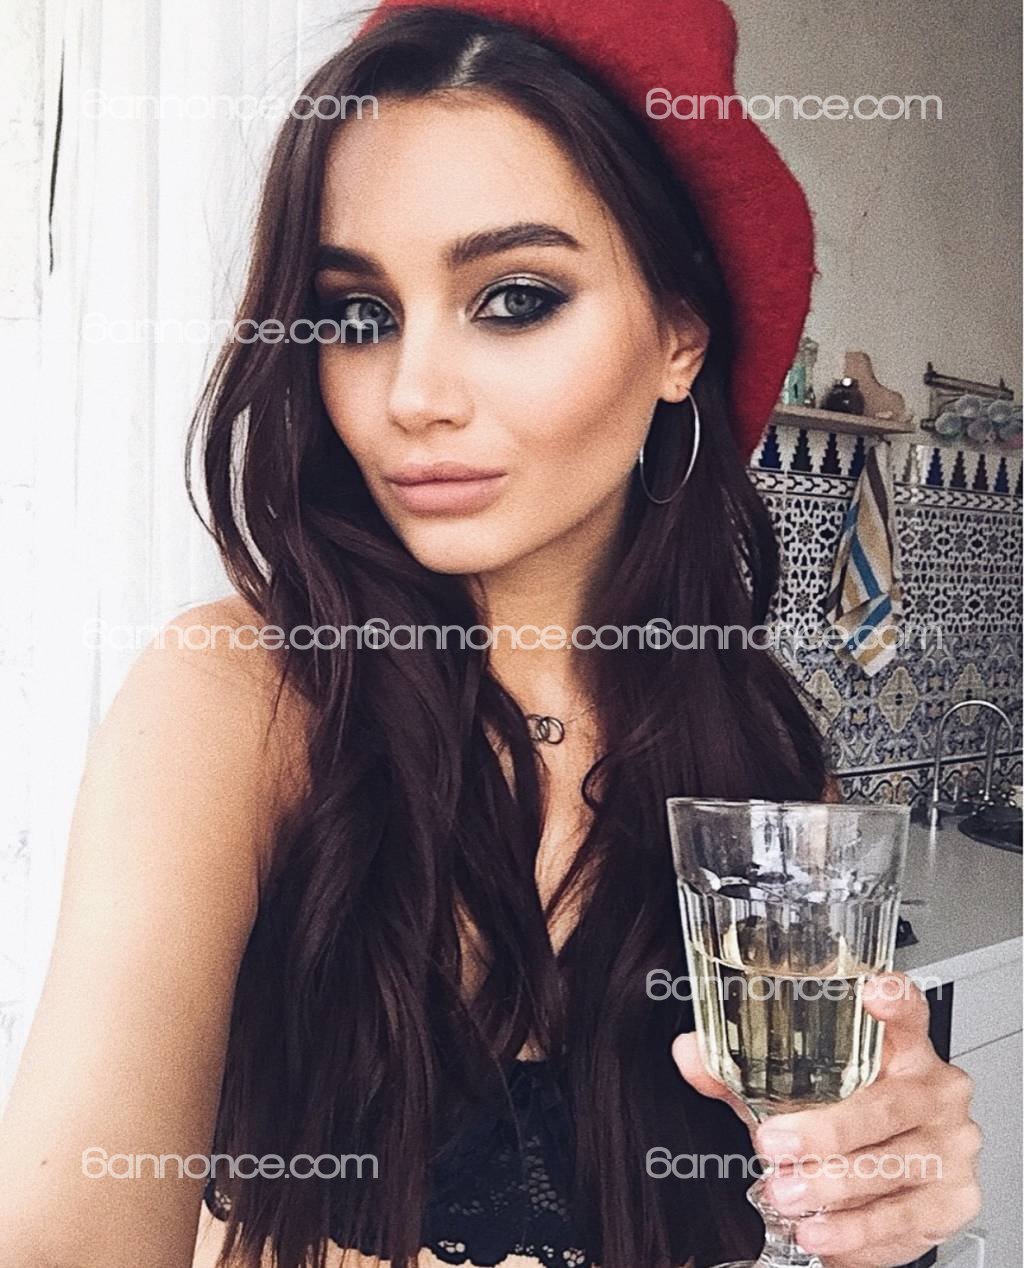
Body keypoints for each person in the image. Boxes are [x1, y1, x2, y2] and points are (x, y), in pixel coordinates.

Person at [0, 3, 981, 1267]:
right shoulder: (239, 700)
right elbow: (68, 1221)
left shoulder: (761, 766)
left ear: (679, 336)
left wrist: (885, 1206)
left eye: (514, 298)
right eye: (358, 314)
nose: (411, 394)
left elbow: (808, 1194)